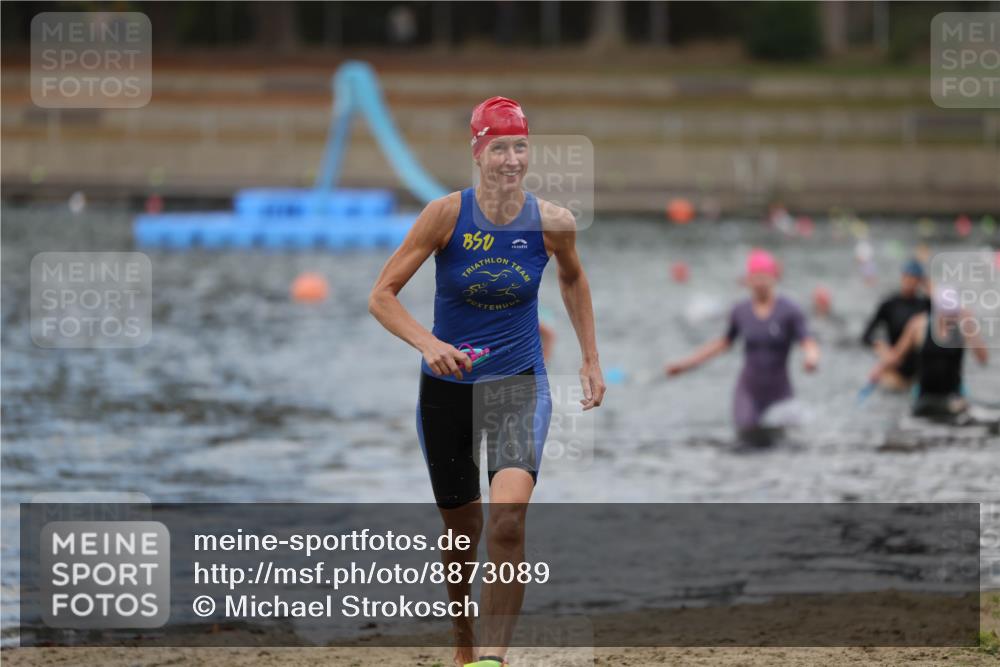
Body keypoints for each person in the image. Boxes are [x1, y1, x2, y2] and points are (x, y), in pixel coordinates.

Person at [368, 96, 604, 667]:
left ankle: (493, 660)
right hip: (446, 391)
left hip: (517, 385)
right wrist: (429, 344)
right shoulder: (445, 216)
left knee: (506, 519)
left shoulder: (552, 223)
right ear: (478, 152)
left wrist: (590, 358)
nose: (512, 159)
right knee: (462, 532)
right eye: (499, 147)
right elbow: (381, 296)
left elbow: (573, 282)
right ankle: (465, 642)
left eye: (520, 146)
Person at [665, 249, 820, 444]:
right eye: (755, 278)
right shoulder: (740, 310)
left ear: (774, 277)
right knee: (746, 438)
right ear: (748, 280)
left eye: (764, 277)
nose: (760, 283)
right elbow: (723, 343)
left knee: (781, 449)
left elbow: (808, 342)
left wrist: (811, 359)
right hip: (749, 392)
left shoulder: (789, 310)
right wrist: (684, 365)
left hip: (780, 392)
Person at [869, 286, 988, 421]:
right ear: (937, 311)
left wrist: (971, 328)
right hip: (924, 395)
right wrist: (879, 369)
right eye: (946, 314)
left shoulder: (963, 326)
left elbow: (983, 359)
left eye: (953, 315)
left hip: (953, 396)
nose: (949, 319)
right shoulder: (919, 325)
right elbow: (897, 355)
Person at [860, 258, 930, 390]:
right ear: (902, 277)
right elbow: (866, 336)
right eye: (906, 277)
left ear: (920, 281)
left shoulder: (926, 305)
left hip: (919, 371)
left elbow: (947, 316)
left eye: (914, 278)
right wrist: (881, 348)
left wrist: (929, 286)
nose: (909, 281)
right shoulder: (889, 304)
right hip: (895, 368)